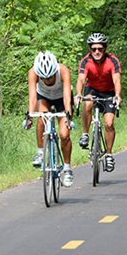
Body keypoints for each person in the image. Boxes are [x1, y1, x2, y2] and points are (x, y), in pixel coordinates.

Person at [24, 51, 74, 187]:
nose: (48, 81)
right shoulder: (33, 72)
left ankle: (67, 168)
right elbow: (33, 96)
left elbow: (67, 96)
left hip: (61, 98)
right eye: (44, 78)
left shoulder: (63, 71)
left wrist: (68, 114)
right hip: (44, 97)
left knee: (64, 134)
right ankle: (40, 152)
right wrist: (29, 115)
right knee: (42, 117)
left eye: (50, 77)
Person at [75, 33, 122, 172]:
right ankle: (85, 134)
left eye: (100, 49)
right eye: (93, 49)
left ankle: (108, 154)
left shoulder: (112, 60)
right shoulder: (85, 61)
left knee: (109, 123)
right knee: (88, 102)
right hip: (93, 89)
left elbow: (117, 80)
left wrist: (118, 95)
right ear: (90, 49)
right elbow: (81, 80)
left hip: (109, 91)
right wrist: (78, 94)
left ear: (105, 49)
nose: (97, 52)